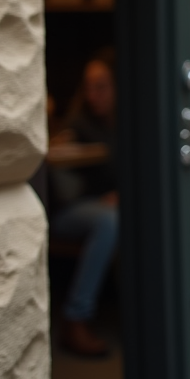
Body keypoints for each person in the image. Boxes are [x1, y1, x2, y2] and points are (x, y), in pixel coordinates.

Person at [51, 54, 119, 357]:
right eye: (89, 87)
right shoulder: (79, 124)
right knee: (109, 220)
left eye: (101, 87)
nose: (93, 95)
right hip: (68, 211)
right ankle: (76, 317)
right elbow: (59, 151)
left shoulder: (125, 123)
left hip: (105, 207)